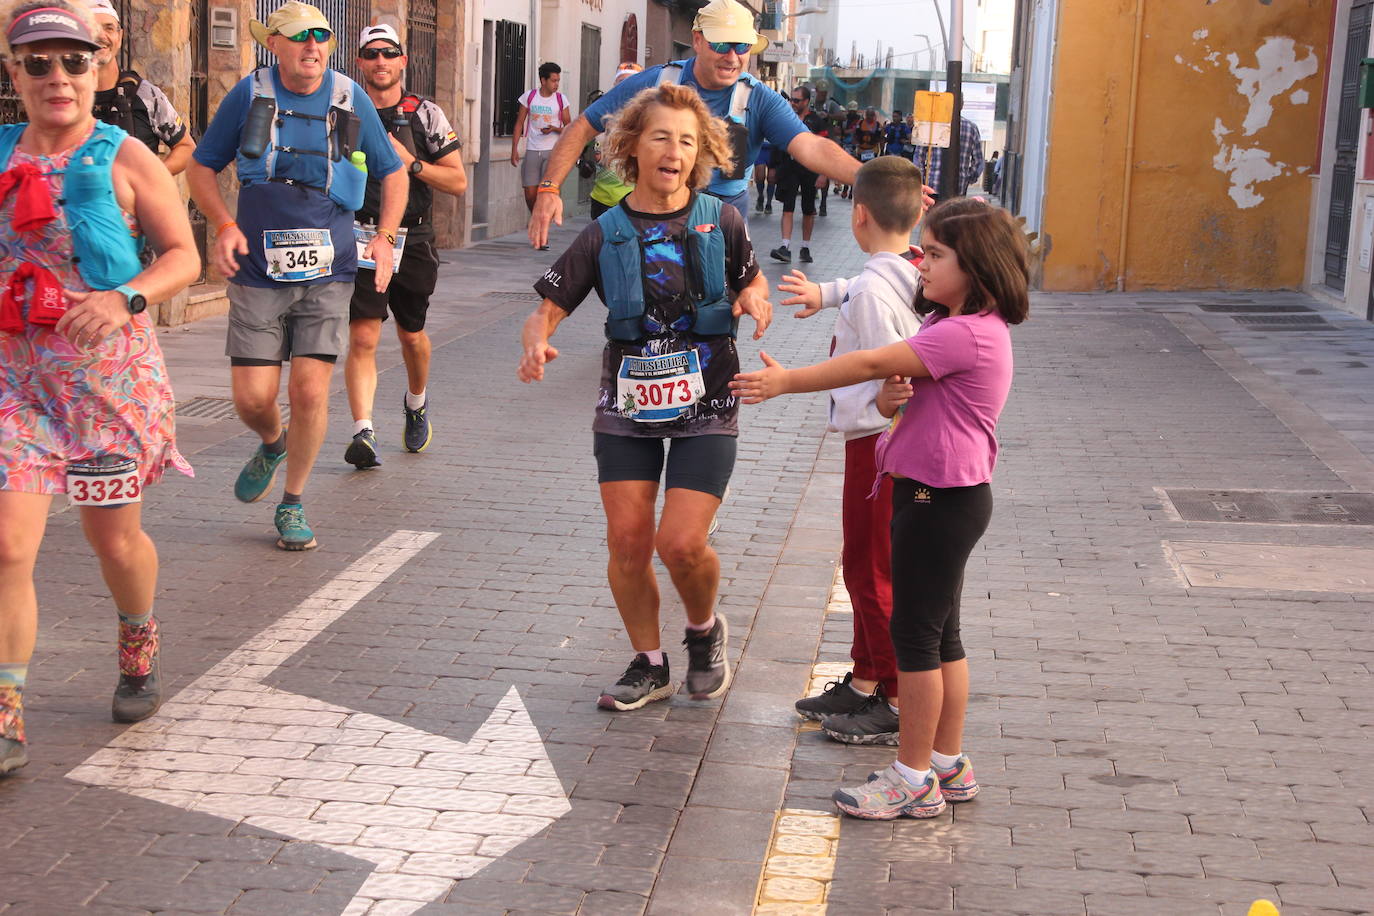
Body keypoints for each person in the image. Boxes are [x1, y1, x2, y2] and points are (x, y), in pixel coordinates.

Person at [731, 197, 1029, 819]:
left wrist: (788, 380)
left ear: (975, 268)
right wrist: (897, 401)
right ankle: (947, 762)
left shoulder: (959, 333)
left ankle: (912, 777)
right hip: (954, 496)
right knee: (942, 636)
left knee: (916, 640)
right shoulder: (973, 329)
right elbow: (905, 400)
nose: (922, 264)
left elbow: (868, 361)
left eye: (937, 255)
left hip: (933, 499)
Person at [518, 83, 771, 711]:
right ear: (632, 145)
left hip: (708, 402)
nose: (673, 150)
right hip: (627, 409)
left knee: (680, 543)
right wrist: (536, 342)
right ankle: (650, 664)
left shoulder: (722, 220)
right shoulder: (605, 232)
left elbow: (752, 278)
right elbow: (547, 309)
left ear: (701, 152)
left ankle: (704, 632)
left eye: (686, 140)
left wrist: (756, 299)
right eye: (661, 136)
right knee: (628, 542)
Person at [0, 0, 200, 774]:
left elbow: (183, 254)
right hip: (16, 381)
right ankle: (8, 706)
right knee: (10, 543)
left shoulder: (126, 153)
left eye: (73, 61)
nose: (58, 77)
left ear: (96, 68)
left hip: (107, 387)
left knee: (113, 541)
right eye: (38, 62)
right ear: (14, 73)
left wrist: (126, 299)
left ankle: (138, 639)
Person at [186, 0, 405, 551]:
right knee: (253, 398)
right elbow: (201, 166)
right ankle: (271, 440)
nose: (312, 46)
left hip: (328, 269)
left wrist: (383, 237)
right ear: (275, 45)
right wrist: (224, 225)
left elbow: (393, 171)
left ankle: (293, 503)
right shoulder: (250, 93)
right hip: (258, 269)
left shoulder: (347, 97)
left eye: (322, 37)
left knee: (310, 391)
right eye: (299, 37)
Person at [775, 156, 923, 742]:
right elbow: (863, 286)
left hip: (876, 442)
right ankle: (865, 678)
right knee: (867, 564)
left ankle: (890, 692)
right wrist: (824, 292)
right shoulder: (914, 269)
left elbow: (885, 357)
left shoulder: (870, 294)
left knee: (868, 568)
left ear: (857, 216)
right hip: (888, 441)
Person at [527, 0, 859, 247]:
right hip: (654, 224)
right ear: (697, 40)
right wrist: (549, 188)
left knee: (715, 321)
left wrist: (871, 179)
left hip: (720, 232)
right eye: (720, 44)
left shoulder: (757, 98)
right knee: (635, 321)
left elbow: (812, 146)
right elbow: (583, 126)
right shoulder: (656, 83)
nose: (732, 56)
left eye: (742, 46)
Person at [343, 24, 467, 469]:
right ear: (359, 62)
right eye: (371, 54)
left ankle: (416, 402)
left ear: (402, 61)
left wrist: (411, 162)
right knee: (362, 334)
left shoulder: (424, 114)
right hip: (360, 236)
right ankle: (363, 431)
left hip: (412, 239)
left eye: (388, 53)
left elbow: (457, 181)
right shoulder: (344, 110)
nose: (380, 61)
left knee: (411, 335)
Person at [86, 0, 194, 174]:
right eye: (93, 28)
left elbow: (186, 148)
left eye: (109, 28)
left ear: (120, 37)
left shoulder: (144, 94)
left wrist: (152, 178)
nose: (102, 36)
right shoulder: (70, 96)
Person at [768, 86, 828, 265]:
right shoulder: (786, 118)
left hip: (810, 169)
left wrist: (823, 174)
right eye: (791, 99)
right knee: (788, 207)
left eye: (797, 100)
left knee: (808, 209)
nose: (793, 103)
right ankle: (785, 247)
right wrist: (773, 167)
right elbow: (777, 142)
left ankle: (805, 247)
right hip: (790, 168)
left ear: (806, 101)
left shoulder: (816, 121)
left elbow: (826, 148)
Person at [511, 61, 570, 225]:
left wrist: (553, 129)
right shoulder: (529, 97)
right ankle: (538, 218)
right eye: (553, 80)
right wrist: (514, 149)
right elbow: (519, 123)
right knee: (530, 193)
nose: (556, 84)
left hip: (552, 151)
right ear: (543, 80)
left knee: (545, 191)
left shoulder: (560, 99)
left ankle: (542, 223)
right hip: (532, 149)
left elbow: (569, 127)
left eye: (558, 80)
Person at [589, 62, 642, 220]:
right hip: (601, 197)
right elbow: (582, 140)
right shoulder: (601, 112)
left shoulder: (647, 116)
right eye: (621, 81)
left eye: (632, 82)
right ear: (615, 84)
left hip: (633, 198)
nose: (627, 86)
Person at [918, 115, 984, 201]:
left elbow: (919, 156)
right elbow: (978, 161)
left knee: (934, 213)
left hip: (932, 185)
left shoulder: (931, 125)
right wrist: (968, 178)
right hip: (959, 186)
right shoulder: (971, 127)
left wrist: (922, 179)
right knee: (955, 213)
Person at [751, 137, 773, 214]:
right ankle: (760, 196)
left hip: (773, 149)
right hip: (760, 149)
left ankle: (769, 204)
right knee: (760, 177)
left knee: (772, 178)